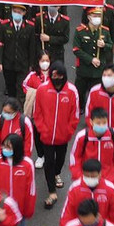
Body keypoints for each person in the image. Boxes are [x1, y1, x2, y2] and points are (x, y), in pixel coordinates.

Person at [31, 63, 79, 208]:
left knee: (60, 160)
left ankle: (57, 173)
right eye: (54, 75)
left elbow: (75, 115)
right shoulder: (42, 89)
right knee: (49, 162)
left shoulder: (72, 91)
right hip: (46, 136)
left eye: (59, 75)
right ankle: (51, 190)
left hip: (63, 137)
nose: (57, 78)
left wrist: (68, 131)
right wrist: (42, 129)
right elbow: (37, 112)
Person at [0, 132, 36, 226]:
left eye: (9, 147)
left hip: (19, 208)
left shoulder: (27, 164)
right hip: (2, 206)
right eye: (4, 146)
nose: (5, 149)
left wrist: (28, 210)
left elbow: (31, 189)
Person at [67, 107, 114, 188]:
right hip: (87, 177)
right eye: (98, 123)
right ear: (91, 122)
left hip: (108, 177)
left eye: (104, 122)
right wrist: (78, 176)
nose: (101, 125)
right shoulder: (82, 136)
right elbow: (75, 157)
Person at [59, 158, 114, 226]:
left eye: (93, 176)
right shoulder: (75, 188)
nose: (90, 178)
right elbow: (67, 213)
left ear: (100, 174)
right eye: (87, 176)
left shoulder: (109, 189)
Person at [71, 7, 113, 110]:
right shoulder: (80, 31)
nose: (97, 18)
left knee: (96, 94)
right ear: (89, 17)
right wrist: (91, 59)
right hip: (84, 70)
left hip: (98, 71)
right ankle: (80, 108)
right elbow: (76, 49)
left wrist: (104, 45)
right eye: (95, 16)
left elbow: (110, 45)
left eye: (99, 16)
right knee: (80, 92)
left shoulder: (104, 31)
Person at [0, 3, 38, 98]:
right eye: (15, 11)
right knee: (10, 90)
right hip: (8, 63)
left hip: (23, 64)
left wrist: (31, 64)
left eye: (19, 12)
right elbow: (0, 44)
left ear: (24, 13)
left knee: (21, 90)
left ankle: (20, 110)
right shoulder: (4, 26)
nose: (17, 14)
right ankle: (12, 108)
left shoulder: (29, 27)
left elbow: (32, 47)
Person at [0, 97, 35, 161]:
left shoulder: (25, 122)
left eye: (8, 112)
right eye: (4, 111)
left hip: (20, 158)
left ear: (16, 111)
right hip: (2, 156)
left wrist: (24, 159)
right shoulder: (0, 119)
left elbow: (29, 143)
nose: (5, 114)